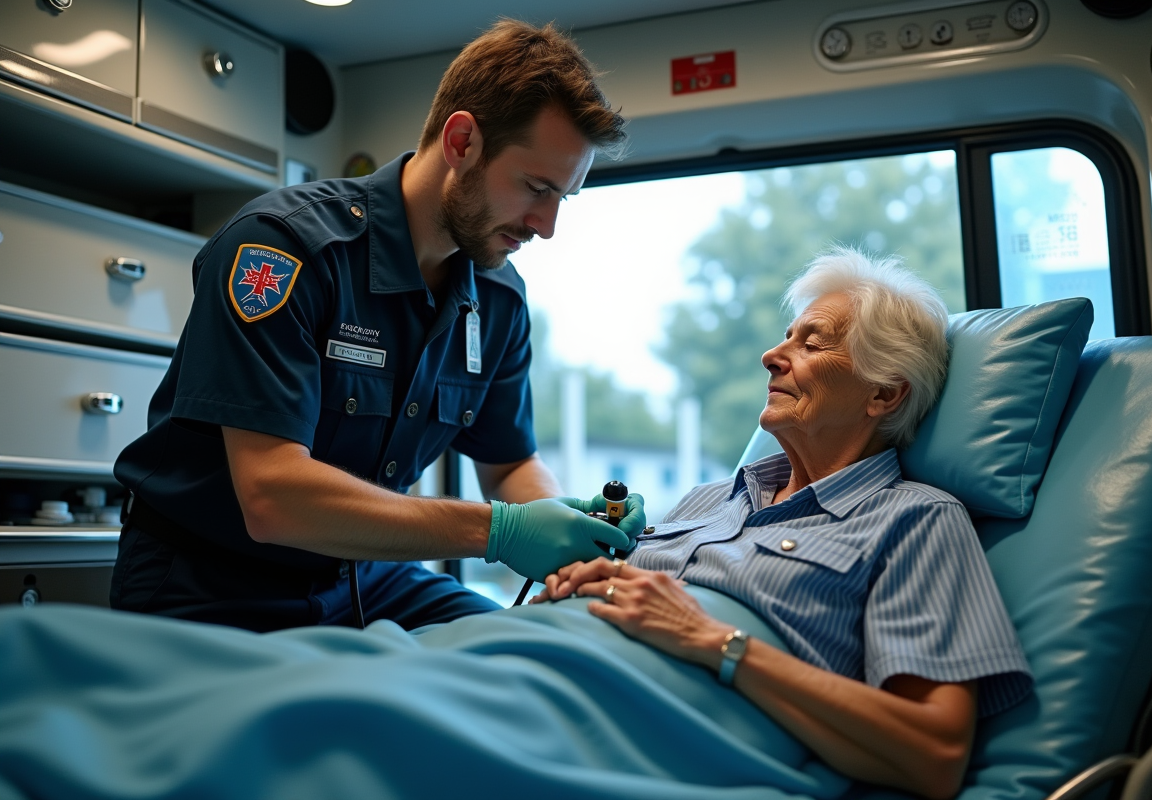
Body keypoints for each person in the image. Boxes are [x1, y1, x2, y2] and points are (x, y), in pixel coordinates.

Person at [109, 20, 644, 633]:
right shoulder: (285, 250)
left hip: (361, 576)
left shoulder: (499, 299)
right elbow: (272, 495)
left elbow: (508, 466)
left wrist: (571, 529)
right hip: (212, 582)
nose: (546, 227)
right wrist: (500, 530)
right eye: (536, 188)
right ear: (462, 142)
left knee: (535, 648)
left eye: (562, 199)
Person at [533, 247, 1033, 800]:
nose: (771, 356)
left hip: (608, 730)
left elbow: (934, 755)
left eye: (812, 343)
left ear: (884, 394)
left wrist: (714, 640)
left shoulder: (916, 519)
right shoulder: (705, 500)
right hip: (538, 659)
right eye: (786, 337)